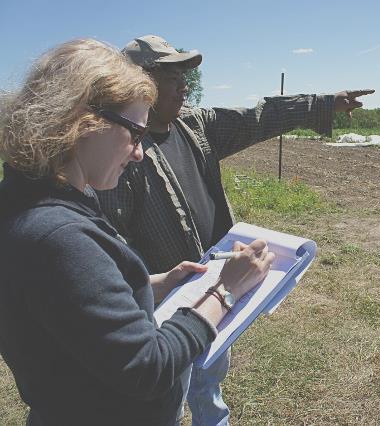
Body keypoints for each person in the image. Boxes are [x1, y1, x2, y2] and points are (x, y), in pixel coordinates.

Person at [96, 34, 374, 425]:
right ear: (137, 83)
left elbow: (257, 117)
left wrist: (323, 104)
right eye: (171, 76)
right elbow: (111, 243)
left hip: (217, 283)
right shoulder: (120, 151)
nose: (184, 85)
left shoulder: (194, 125)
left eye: (184, 76)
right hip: (165, 305)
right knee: (167, 398)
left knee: (209, 381)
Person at [0, 39, 274, 426]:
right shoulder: (57, 235)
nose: (139, 153)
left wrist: (155, 284)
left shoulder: (26, 201)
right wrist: (224, 292)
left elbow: (70, 303)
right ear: (84, 121)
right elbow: (148, 368)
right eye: (135, 133)